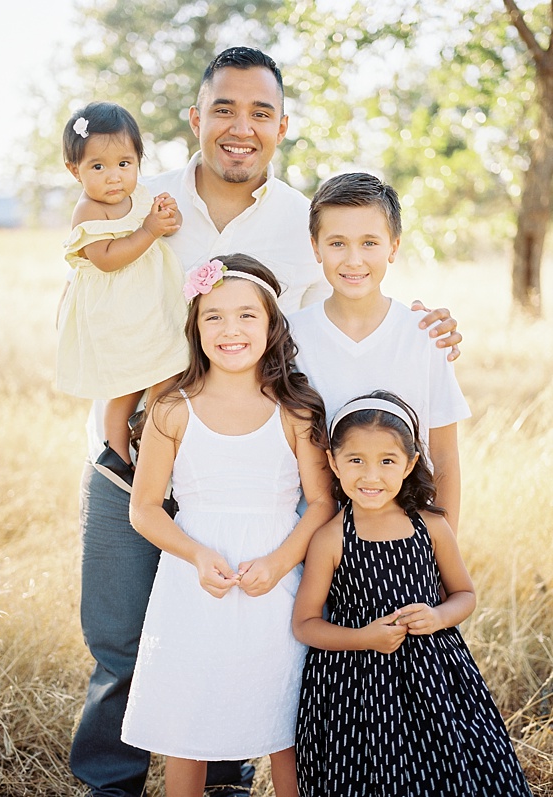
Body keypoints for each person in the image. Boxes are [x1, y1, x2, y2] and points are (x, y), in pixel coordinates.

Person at [68, 48, 462, 797]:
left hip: (251, 472)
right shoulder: (133, 195)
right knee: (122, 644)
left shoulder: (299, 219)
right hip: (135, 456)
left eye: (259, 112)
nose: (240, 127)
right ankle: (109, 787)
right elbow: (90, 285)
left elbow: (352, 291)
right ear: (195, 117)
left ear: (282, 126)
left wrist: (427, 324)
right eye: (223, 108)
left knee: (245, 632)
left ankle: (227, 777)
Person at [120, 255, 335, 797]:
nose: (230, 330)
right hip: (195, 584)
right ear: (194, 328)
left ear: (272, 325)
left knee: (284, 713)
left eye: (246, 316)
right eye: (213, 317)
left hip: (276, 580)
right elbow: (144, 508)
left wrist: (281, 561)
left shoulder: (296, 409)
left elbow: (319, 504)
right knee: (187, 720)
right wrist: (195, 554)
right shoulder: (172, 408)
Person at [292, 391, 533, 796]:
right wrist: (362, 638)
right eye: (356, 461)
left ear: (411, 463)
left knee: (448, 766)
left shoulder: (431, 526)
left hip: (434, 674)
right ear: (333, 462)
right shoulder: (331, 538)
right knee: (370, 774)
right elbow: (305, 623)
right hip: (355, 684)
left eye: (387, 461)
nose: (372, 476)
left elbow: (464, 594)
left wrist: (440, 616)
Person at [289, 172, 470, 532]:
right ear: (315, 247)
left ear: (393, 246)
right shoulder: (291, 337)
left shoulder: (424, 335)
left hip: (404, 535)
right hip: (314, 535)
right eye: (337, 243)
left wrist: (440, 548)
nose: (353, 260)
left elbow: (445, 455)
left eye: (369, 242)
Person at [58, 101, 189, 488]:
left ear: (138, 162)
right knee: (126, 384)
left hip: (149, 309)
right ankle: (115, 450)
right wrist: (147, 231)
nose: (113, 177)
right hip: (116, 314)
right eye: (98, 167)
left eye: (124, 164)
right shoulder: (88, 211)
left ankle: (151, 439)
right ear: (74, 170)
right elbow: (107, 259)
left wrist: (167, 214)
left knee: (169, 369)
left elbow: (171, 226)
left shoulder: (142, 196)